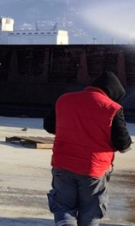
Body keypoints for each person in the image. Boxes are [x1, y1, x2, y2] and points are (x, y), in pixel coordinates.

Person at [43, 71, 131, 226]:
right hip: (93, 169)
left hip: (63, 164)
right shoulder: (112, 108)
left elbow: (49, 126)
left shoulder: (64, 99)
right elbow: (122, 143)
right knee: (91, 212)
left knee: (63, 208)